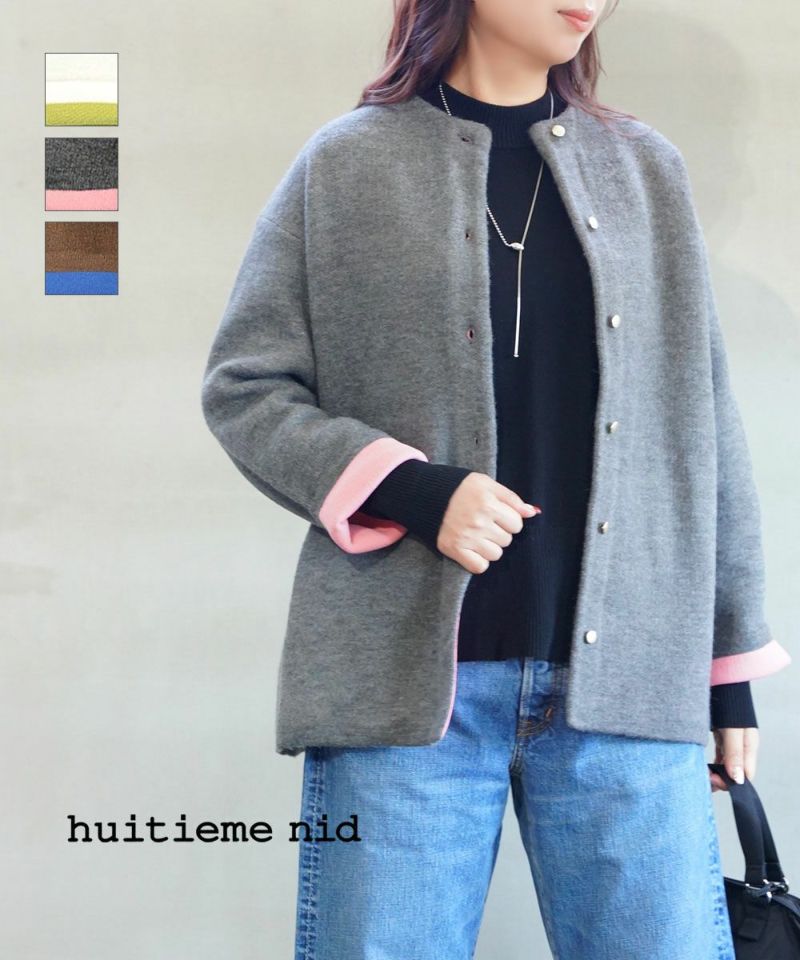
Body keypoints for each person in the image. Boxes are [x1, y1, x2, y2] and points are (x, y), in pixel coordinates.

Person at [200, 1, 792, 956]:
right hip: (403, 699)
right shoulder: (347, 165)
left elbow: (703, 430)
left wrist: (726, 675)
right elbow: (246, 387)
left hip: (631, 686)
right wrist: (414, 491)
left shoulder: (646, 172)